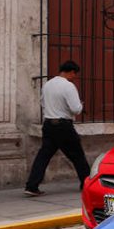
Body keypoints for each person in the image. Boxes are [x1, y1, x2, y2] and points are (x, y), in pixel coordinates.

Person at [24, 60, 91, 196]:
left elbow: (43, 102)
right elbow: (76, 109)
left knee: (43, 156)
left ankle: (31, 186)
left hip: (48, 124)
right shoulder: (68, 86)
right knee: (78, 156)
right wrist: (81, 105)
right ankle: (87, 184)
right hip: (63, 126)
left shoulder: (47, 85)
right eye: (74, 74)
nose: (74, 77)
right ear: (71, 72)